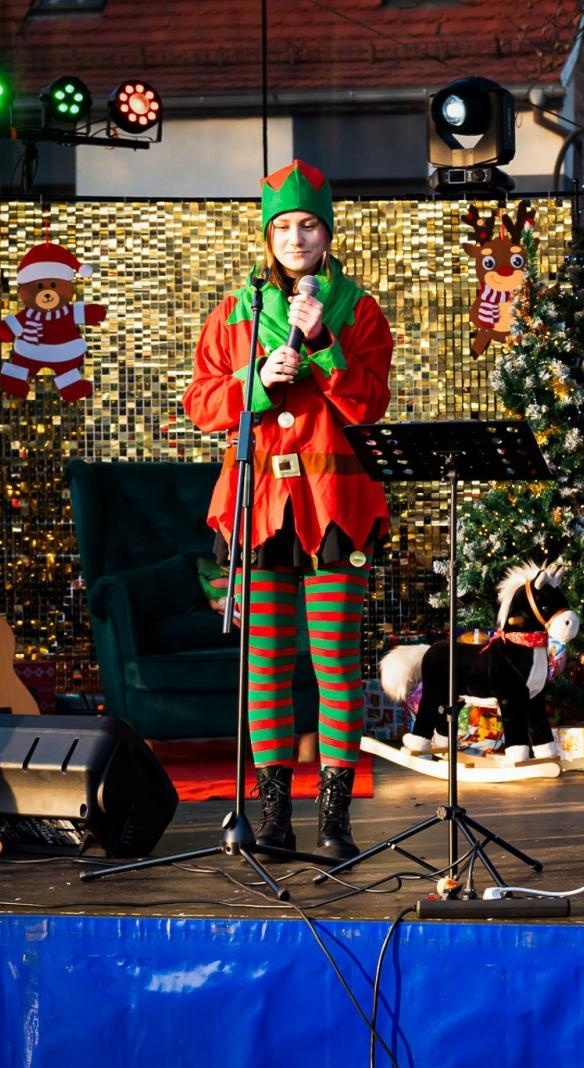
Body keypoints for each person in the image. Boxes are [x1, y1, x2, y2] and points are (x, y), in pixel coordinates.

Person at [183, 160, 394, 858]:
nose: (296, 237)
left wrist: (324, 347)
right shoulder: (235, 312)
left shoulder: (358, 309)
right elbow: (201, 403)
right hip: (259, 505)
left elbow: (370, 404)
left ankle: (334, 819)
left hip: (336, 504)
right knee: (266, 664)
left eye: (308, 224)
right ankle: (272, 817)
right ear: (267, 235)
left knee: (334, 664)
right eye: (283, 226)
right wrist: (257, 381)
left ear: (327, 232)